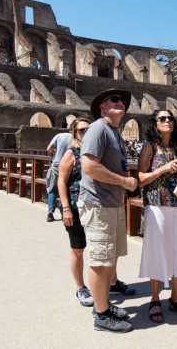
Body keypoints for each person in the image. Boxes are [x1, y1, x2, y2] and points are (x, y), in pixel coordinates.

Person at [79, 88, 138, 333]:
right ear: (102, 108)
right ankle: (102, 315)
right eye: (114, 100)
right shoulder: (98, 128)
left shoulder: (115, 132)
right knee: (100, 261)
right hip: (98, 203)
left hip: (112, 203)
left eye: (123, 101)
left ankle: (103, 304)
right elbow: (89, 166)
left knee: (109, 259)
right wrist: (124, 182)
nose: (121, 103)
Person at [138, 109, 177, 323]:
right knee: (158, 251)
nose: (167, 121)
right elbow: (140, 178)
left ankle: (176, 298)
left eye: (170, 118)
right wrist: (163, 169)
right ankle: (155, 298)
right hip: (157, 206)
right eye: (162, 118)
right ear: (154, 123)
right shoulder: (149, 147)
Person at [57, 116, 94, 307]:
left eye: (89, 129)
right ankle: (81, 288)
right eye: (81, 130)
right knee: (78, 248)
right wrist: (65, 209)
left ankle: (109, 283)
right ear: (74, 134)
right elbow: (61, 181)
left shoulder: (95, 153)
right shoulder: (71, 154)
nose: (85, 133)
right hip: (74, 206)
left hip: (95, 207)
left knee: (99, 248)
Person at [45, 130, 73, 222]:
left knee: (53, 189)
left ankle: (50, 214)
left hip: (56, 165)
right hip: (69, 165)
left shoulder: (59, 135)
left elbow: (49, 148)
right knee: (67, 188)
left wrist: (55, 151)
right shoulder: (74, 138)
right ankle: (67, 211)